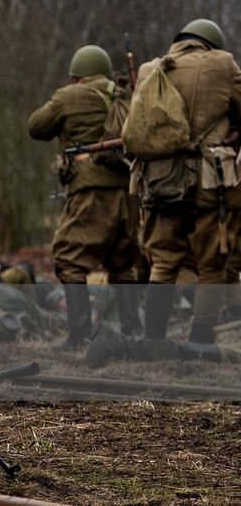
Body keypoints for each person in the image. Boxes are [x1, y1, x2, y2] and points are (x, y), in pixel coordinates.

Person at [129, 19, 241, 343]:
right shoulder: (222, 64)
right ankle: (200, 341)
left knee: (162, 264)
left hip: (160, 183)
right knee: (212, 265)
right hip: (210, 182)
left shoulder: (151, 69)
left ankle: (153, 341)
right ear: (211, 43)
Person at [28, 44, 140, 347]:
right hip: (128, 190)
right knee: (122, 262)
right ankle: (132, 330)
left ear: (77, 75)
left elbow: (36, 126)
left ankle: (79, 334)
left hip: (90, 189)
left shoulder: (70, 95)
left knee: (68, 259)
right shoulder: (124, 94)